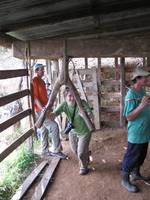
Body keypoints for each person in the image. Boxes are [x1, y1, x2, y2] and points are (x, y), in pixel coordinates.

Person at [50, 86, 93, 175]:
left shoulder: (82, 103)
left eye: (74, 95)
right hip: (73, 132)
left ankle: (83, 167)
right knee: (75, 150)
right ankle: (86, 155)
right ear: (65, 97)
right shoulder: (64, 105)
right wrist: (46, 113)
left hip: (84, 132)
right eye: (69, 96)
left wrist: (85, 114)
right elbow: (53, 115)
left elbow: (91, 116)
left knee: (80, 153)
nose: (72, 98)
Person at [121, 67, 150, 193]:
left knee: (141, 155)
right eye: (145, 77)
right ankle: (125, 180)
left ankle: (136, 174)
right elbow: (129, 116)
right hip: (136, 132)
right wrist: (142, 105)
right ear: (137, 79)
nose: (148, 79)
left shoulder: (142, 91)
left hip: (145, 131)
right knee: (131, 156)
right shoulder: (131, 94)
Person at [32, 63, 67, 159]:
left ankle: (45, 150)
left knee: (43, 129)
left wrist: (48, 107)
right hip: (40, 110)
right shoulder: (34, 81)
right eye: (41, 70)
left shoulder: (42, 82)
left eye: (43, 69)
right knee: (54, 126)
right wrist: (42, 109)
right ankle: (56, 150)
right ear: (36, 71)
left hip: (45, 109)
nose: (43, 71)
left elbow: (44, 96)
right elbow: (35, 97)